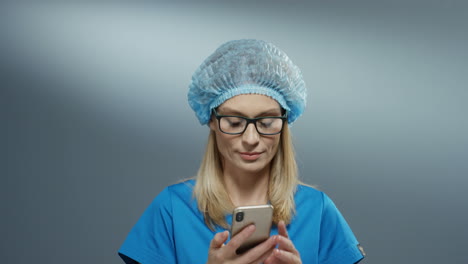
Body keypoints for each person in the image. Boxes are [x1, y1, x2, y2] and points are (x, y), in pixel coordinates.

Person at [118, 39, 365, 264]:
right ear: (212, 121)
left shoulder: (317, 211)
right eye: (234, 123)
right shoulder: (173, 210)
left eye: (266, 122)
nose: (250, 139)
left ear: (284, 122)